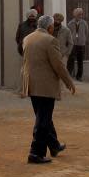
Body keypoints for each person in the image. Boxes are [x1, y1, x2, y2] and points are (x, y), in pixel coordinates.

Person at [21, 15, 76, 164]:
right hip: (45, 85)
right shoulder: (50, 40)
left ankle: (54, 145)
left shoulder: (28, 38)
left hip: (32, 84)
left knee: (43, 116)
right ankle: (35, 153)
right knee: (43, 120)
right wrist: (69, 82)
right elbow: (58, 65)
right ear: (50, 27)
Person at [67, 8, 89, 81]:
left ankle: (79, 76)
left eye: (81, 14)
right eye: (79, 14)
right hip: (73, 44)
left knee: (80, 61)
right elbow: (68, 34)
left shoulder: (84, 23)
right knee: (71, 60)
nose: (80, 16)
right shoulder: (70, 23)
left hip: (81, 44)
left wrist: (83, 39)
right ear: (75, 15)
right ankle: (69, 75)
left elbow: (86, 32)